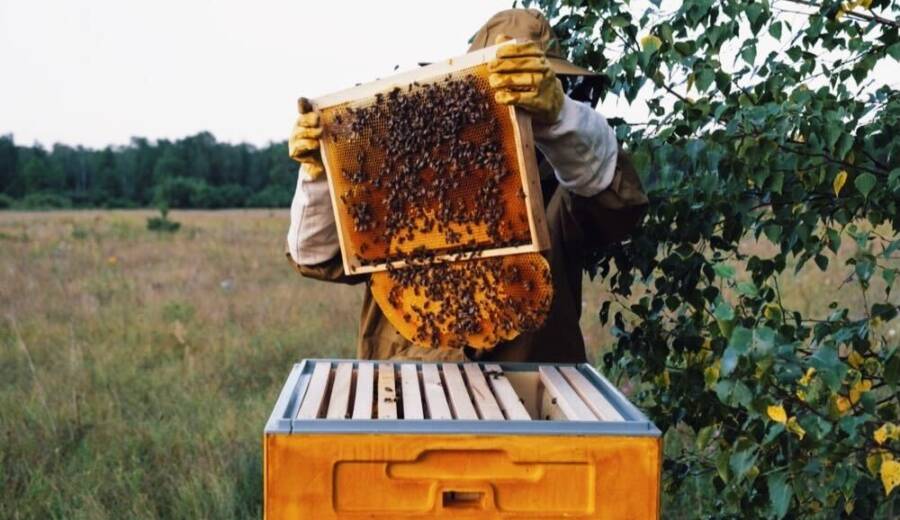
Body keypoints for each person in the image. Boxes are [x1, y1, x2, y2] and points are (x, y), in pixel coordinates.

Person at [286, 8, 648, 363]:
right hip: (409, 382)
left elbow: (616, 202)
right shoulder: (407, 175)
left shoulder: (566, 186)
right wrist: (320, 176)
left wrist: (560, 118)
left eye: (527, 89)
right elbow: (316, 256)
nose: (513, 106)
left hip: (526, 388)